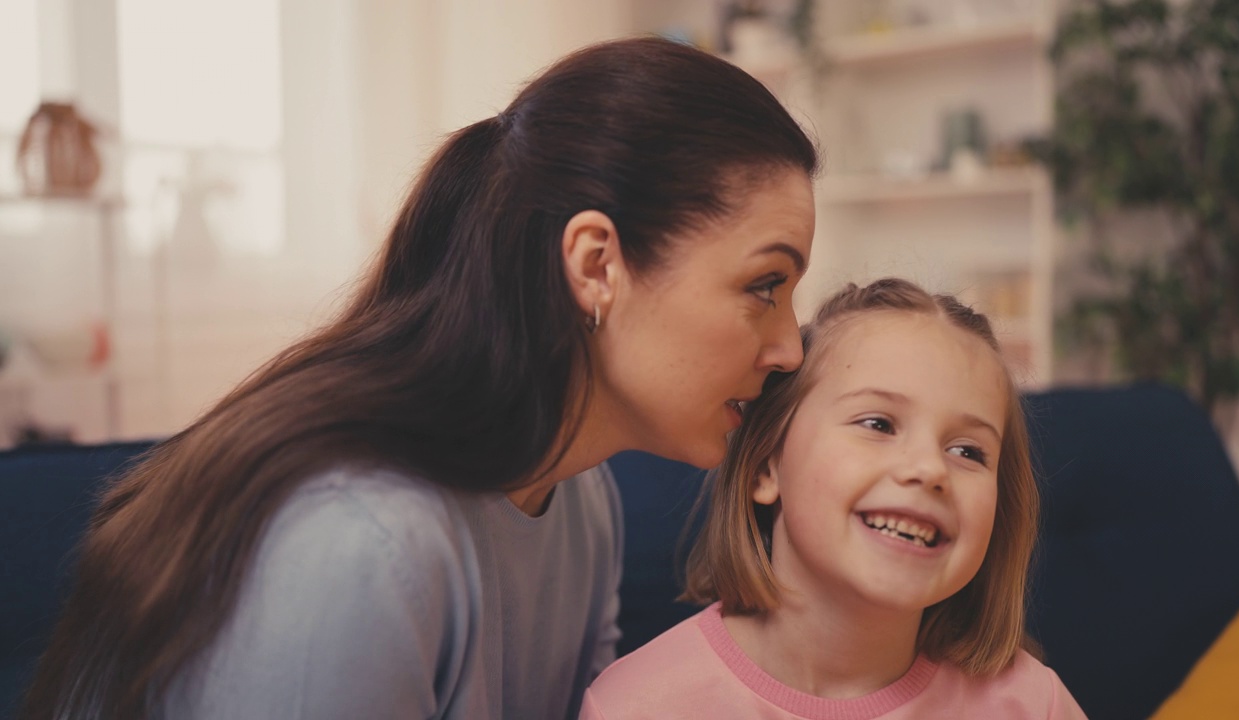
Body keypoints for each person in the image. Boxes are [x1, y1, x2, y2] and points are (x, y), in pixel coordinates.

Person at [19, 37, 818, 720]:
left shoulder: (582, 503)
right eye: (763, 287)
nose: (789, 348)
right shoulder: (358, 542)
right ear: (596, 264)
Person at [581, 278, 1088, 719]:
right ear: (765, 466)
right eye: (878, 424)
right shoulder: (636, 707)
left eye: (968, 451)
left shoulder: (1033, 705)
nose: (930, 469)